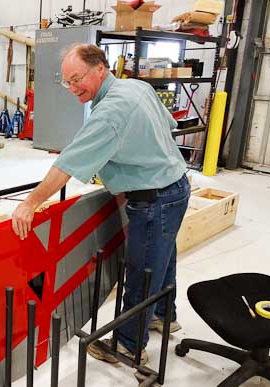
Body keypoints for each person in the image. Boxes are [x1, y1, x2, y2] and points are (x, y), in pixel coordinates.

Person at [11, 43, 190, 365]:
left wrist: (30, 203)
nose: (72, 88)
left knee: (141, 271)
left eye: (77, 78)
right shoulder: (137, 86)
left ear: (100, 69)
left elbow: (68, 164)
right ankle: (164, 314)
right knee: (162, 257)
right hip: (175, 186)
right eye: (67, 82)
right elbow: (168, 125)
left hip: (155, 198)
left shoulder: (110, 112)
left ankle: (127, 345)